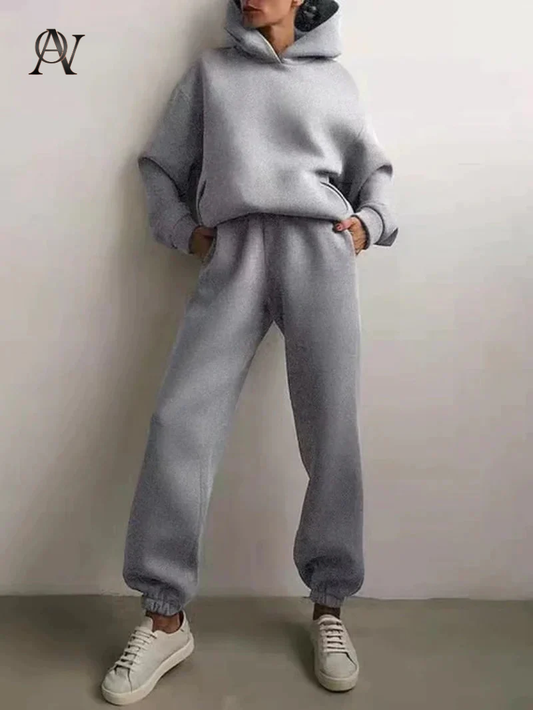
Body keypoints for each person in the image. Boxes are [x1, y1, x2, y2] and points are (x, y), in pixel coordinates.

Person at [101, 0, 398, 704]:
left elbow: (376, 172)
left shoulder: (336, 81)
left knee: (331, 430)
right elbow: (158, 165)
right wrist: (183, 229)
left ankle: (329, 606)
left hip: (319, 253)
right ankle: (165, 616)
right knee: (181, 422)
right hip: (233, 251)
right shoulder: (211, 75)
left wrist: (369, 223)